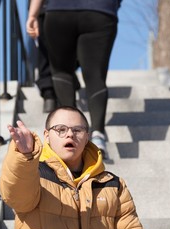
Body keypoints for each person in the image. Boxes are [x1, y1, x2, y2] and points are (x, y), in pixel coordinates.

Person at [0, 106, 145, 229]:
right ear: (47, 135)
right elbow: (16, 196)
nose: (70, 134)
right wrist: (25, 157)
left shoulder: (113, 185)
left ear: (87, 137)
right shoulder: (34, 174)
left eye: (77, 130)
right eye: (60, 129)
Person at [26, 0, 122, 158]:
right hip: (100, 11)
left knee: (61, 72)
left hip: (59, 11)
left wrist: (33, 14)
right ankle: (98, 136)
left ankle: (68, 133)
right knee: (95, 76)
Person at [32, 0, 81, 113]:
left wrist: (32, 14)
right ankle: (66, 81)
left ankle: (49, 95)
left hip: (46, 8)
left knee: (47, 50)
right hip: (74, 8)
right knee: (70, 49)